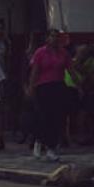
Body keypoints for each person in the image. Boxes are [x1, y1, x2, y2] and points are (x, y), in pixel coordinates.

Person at [27, 28, 70, 162]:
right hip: (43, 87)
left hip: (58, 86)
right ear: (47, 38)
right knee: (43, 116)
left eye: (57, 36)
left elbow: (70, 69)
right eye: (52, 36)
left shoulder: (63, 53)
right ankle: (39, 141)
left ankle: (52, 148)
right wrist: (31, 87)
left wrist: (79, 84)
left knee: (56, 117)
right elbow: (35, 71)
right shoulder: (40, 52)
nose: (55, 39)